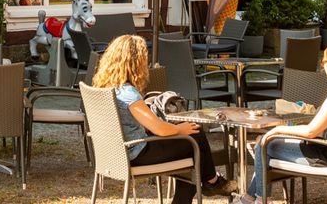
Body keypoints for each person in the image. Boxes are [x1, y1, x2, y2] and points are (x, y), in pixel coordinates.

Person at [90, 33, 228, 202]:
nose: (146, 64)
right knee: (194, 135)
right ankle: (213, 182)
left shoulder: (104, 88)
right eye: (143, 60)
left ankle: (210, 182)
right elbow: (160, 129)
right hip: (136, 154)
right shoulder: (128, 93)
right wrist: (180, 128)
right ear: (134, 63)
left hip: (114, 154)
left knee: (188, 144)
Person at [246, 40, 327, 203]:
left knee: (264, 143)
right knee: (265, 141)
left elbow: (311, 131)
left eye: (324, 62)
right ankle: (248, 198)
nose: (323, 66)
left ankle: (260, 199)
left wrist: (276, 130)